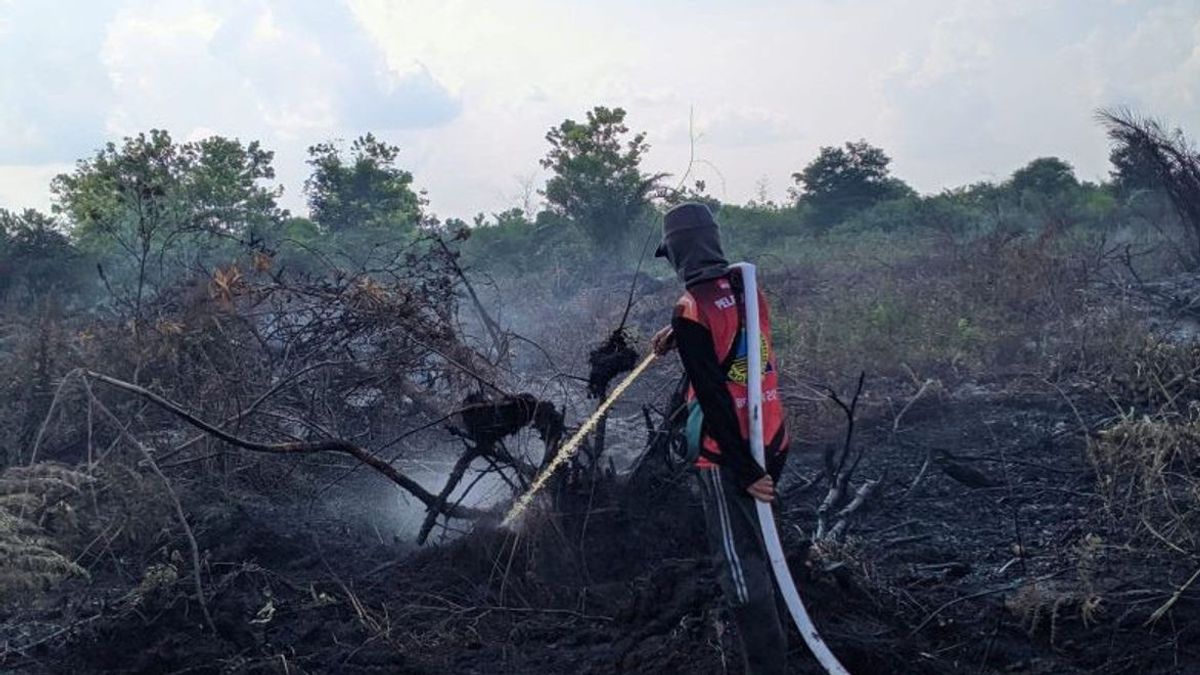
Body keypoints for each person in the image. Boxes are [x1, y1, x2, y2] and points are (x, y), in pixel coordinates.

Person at [650, 202, 790, 675]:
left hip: (727, 451)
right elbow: (735, 330)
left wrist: (744, 469)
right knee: (762, 539)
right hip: (772, 435)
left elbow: (712, 395)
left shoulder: (691, 308)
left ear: (677, 253)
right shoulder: (747, 286)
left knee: (739, 563)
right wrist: (679, 334)